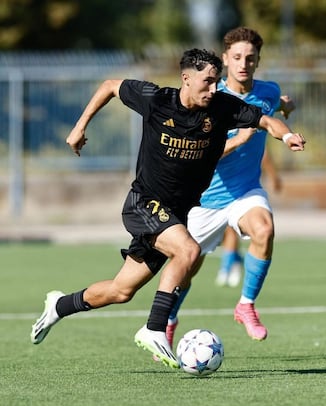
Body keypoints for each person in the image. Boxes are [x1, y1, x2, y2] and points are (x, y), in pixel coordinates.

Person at [30, 48, 305, 369]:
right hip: (144, 203)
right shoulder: (157, 99)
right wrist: (79, 128)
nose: (214, 89)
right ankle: (155, 328)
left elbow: (265, 120)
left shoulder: (222, 107)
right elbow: (109, 85)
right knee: (188, 251)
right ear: (186, 79)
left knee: (121, 290)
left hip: (174, 214)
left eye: (217, 82)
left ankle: (59, 306)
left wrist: (285, 137)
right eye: (207, 82)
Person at [164, 27, 299, 348]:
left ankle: (245, 305)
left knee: (264, 230)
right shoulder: (210, 99)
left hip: (245, 192)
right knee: (186, 270)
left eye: (250, 58)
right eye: (236, 57)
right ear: (225, 59)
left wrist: (285, 111)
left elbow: (271, 107)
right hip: (204, 200)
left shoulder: (267, 91)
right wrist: (237, 140)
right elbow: (197, 152)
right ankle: (168, 322)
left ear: (257, 61)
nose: (243, 64)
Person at [215, 148, 283, 287]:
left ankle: (227, 265)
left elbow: (264, 153)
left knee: (230, 228)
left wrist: (273, 176)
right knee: (221, 232)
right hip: (215, 188)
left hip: (241, 188)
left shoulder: (248, 129)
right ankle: (234, 258)